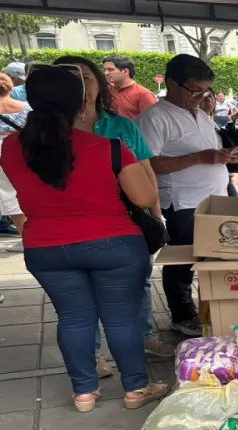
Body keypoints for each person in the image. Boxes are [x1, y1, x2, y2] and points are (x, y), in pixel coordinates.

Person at [0, 66, 169, 413]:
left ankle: (84, 393)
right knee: (121, 319)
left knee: (74, 318)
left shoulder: (11, 148)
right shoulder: (108, 148)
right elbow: (145, 197)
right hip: (114, 244)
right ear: (80, 105)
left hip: (46, 247)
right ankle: (136, 388)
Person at [53, 54, 175, 366]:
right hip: (70, 223)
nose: (79, 85)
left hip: (127, 219)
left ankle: (144, 337)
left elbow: (146, 170)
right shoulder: (47, 131)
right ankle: (93, 355)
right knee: (81, 294)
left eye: (85, 77)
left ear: (99, 82)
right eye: (70, 78)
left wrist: (156, 215)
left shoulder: (120, 126)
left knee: (137, 282)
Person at [138, 54, 238, 337]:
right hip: (183, 202)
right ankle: (182, 314)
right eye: (194, 90)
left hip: (217, 196)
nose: (200, 97)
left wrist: (225, 155)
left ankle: (217, 307)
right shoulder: (154, 118)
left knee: (219, 256)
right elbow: (148, 163)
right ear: (172, 83)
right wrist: (200, 157)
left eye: (205, 91)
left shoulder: (200, 114)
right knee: (183, 259)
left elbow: (208, 151)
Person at [0, 72, 29, 258]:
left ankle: (26, 237)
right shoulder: (27, 108)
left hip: (1, 155)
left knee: (9, 197)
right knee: (27, 192)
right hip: (23, 151)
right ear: (11, 88)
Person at [198, 93, 238, 198]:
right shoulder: (193, 124)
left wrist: (229, 153)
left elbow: (218, 149)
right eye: (203, 97)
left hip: (222, 175)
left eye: (210, 96)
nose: (208, 100)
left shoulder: (214, 122)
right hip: (203, 182)